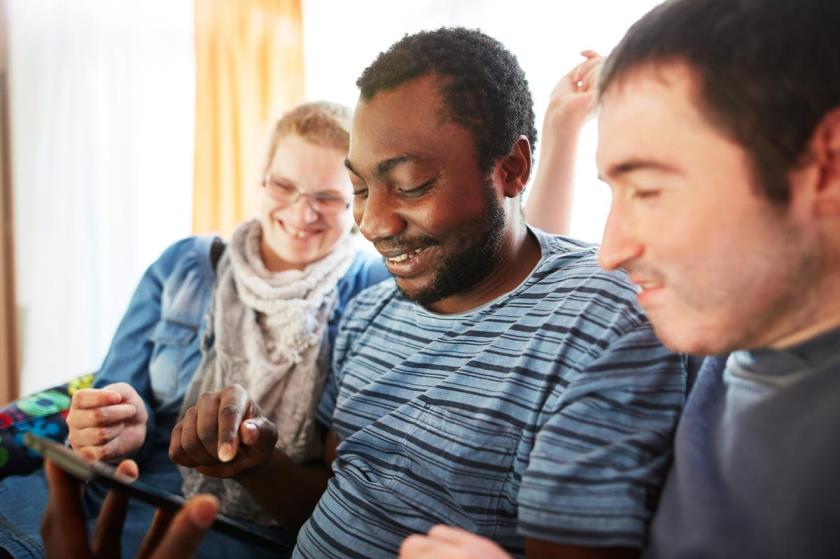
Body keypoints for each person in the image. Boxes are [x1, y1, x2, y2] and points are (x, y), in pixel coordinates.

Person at [167, 28, 693, 559]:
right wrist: (256, 461)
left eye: (413, 185)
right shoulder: (370, 311)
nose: (372, 224)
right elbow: (341, 498)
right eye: (361, 189)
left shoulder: (601, 319)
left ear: (512, 169)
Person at [399, 0, 840, 558]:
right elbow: (539, 269)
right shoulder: (739, 334)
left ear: (826, 166)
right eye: (614, 191)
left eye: (650, 191)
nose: (611, 253)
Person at [0, 101, 391, 558]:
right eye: (284, 186)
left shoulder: (373, 290)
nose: (302, 213)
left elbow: (354, 483)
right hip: (106, 491)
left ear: (357, 204)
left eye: (327, 197)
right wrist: (113, 424)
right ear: (261, 181)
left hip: (230, 531)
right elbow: (111, 396)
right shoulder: (184, 265)